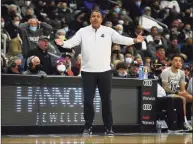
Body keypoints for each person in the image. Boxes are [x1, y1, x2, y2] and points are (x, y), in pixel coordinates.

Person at [55, 10, 144, 136]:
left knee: (106, 101)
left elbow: (122, 39)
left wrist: (135, 40)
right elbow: (72, 42)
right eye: (93, 16)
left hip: (105, 72)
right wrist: (62, 43)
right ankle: (88, 127)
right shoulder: (82, 31)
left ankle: (108, 128)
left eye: (98, 16)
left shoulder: (108, 31)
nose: (95, 18)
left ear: (101, 19)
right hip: (87, 72)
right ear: (90, 19)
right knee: (88, 101)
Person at [161, 55, 192, 130]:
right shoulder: (165, 72)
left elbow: (182, 89)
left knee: (190, 98)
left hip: (178, 93)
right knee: (182, 99)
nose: (178, 62)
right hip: (167, 95)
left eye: (179, 61)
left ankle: (191, 120)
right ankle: (184, 122)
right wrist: (178, 93)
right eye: (176, 60)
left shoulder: (181, 73)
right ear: (171, 61)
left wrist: (186, 94)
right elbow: (165, 88)